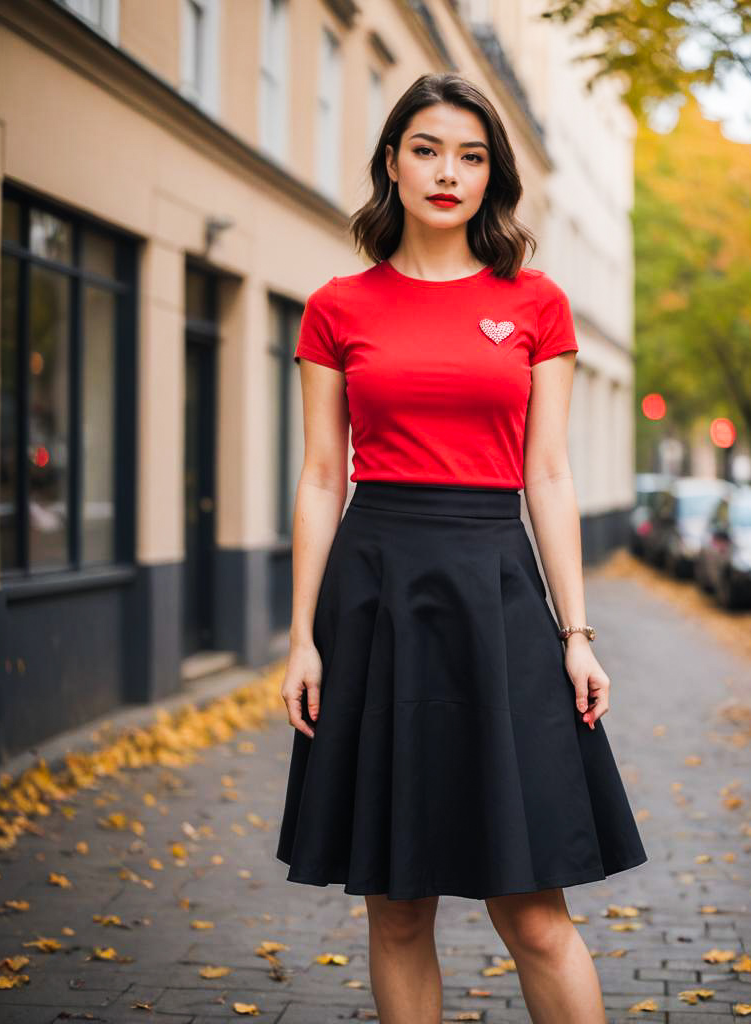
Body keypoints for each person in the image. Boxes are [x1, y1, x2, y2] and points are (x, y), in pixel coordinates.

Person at [275, 71, 647, 1024]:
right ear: (392, 163)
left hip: (497, 589)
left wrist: (578, 632)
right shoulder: (335, 307)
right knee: (397, 907)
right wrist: (301, 640)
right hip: (375, 594)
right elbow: (323, 477)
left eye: (471, 157)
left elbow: (550, 476)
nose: (448, 173)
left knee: (533, 911)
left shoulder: (537, 303)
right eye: (428, 150)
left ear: (493, 177)